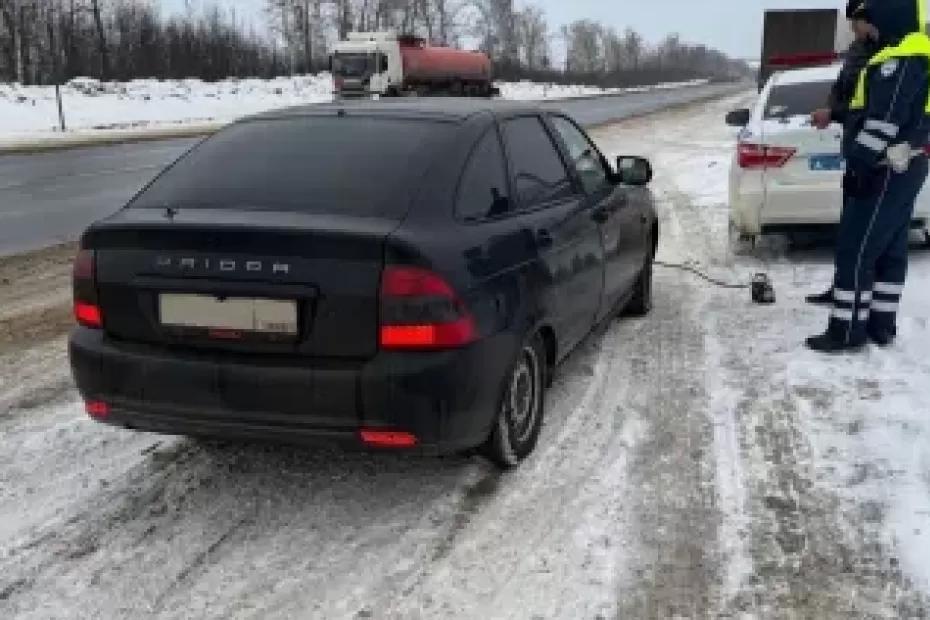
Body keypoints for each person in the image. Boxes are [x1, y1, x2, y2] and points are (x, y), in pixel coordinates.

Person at [807, 0, 930, 352]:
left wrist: (860, 163)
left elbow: (882, 121)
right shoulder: (914, 51)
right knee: (890, 250)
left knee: (855, 249)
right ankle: (881, 324)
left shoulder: (900, 59)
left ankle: (845, 332)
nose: (866, 29)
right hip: (903, 164)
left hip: (884, 167)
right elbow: (878, 115)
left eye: (869, 20)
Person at [806, 1, 881, 305]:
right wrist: (833, 110)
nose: (853, 28)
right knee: (849, 227)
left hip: (872, 154)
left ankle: (854, 299)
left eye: (856, 21)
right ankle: (842, 287)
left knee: (862, 234)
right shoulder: (857, 50)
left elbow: (870, 104)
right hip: (854, 148)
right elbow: (844, 89)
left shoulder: (885, 53)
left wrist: (833, 112)